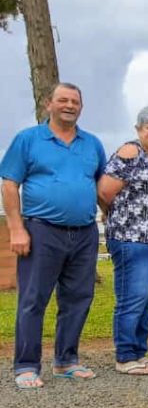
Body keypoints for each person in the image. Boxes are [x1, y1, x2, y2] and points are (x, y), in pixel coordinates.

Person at [1, 83, 106, 389]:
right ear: (49, 104)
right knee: (34, 299)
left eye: (75, 101)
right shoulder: (28, 139)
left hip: (85, 231)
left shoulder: (92, 144)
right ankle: (26, 365)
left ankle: (66, 360)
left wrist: (111, 220)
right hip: (41, 230)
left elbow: (100, 188)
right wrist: (16, 228)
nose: (69, 105)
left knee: (78, 298)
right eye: (63, 100)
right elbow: (9, 185)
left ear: (81, 107)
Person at [97, 106, 148, 376]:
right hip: (132, 237)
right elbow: (105, 191)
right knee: (132, 297)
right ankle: (124, 355)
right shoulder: (130, 152)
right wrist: (120, 216)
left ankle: (139, 352)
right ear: (139, 129)